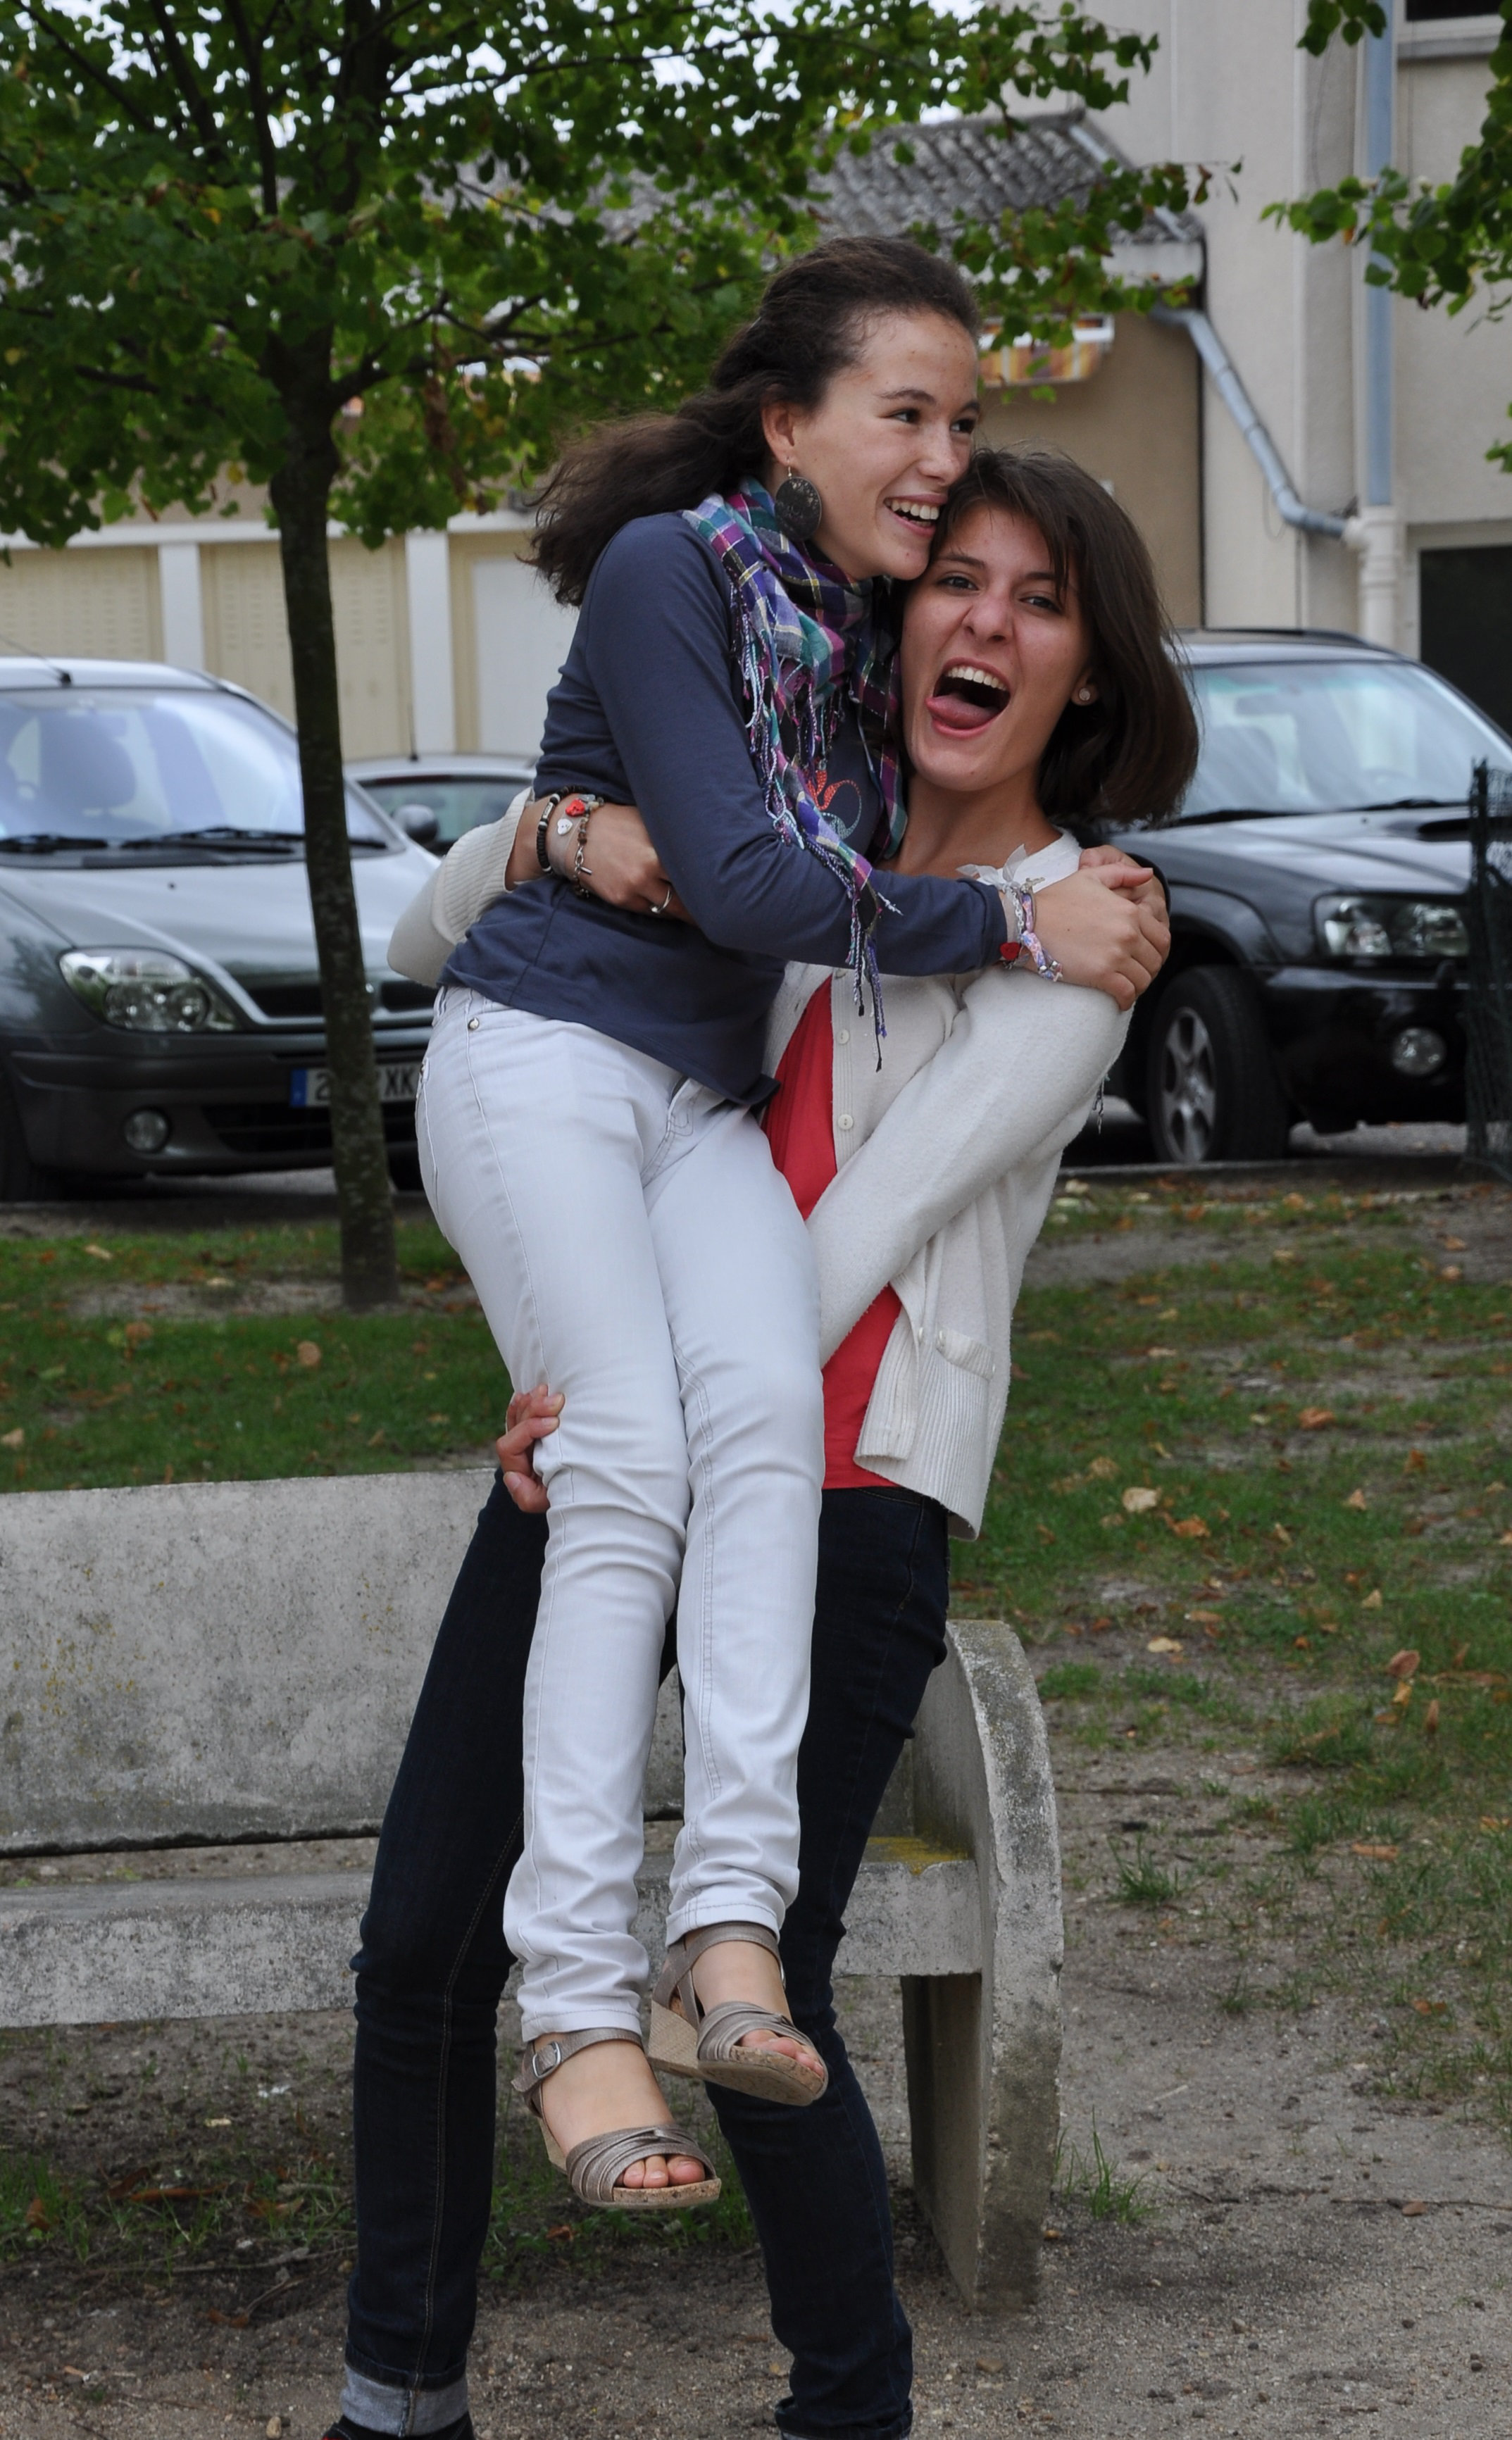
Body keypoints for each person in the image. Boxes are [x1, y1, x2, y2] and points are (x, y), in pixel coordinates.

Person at [328, 444, 1193, 2440]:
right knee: (419, 1940)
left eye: (1040, 601)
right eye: (955, 579)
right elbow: (427, 941)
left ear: (1086, 669)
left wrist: (608, 1382)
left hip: (842, 1490)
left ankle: (847, 2409)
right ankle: (397, 2399)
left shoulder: (1081, 930)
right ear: (895, 619)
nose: (983, 622)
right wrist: (562, 833)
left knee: (756, 1994)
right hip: (626, 1451)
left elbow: (837, 1249)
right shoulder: (799, 831)